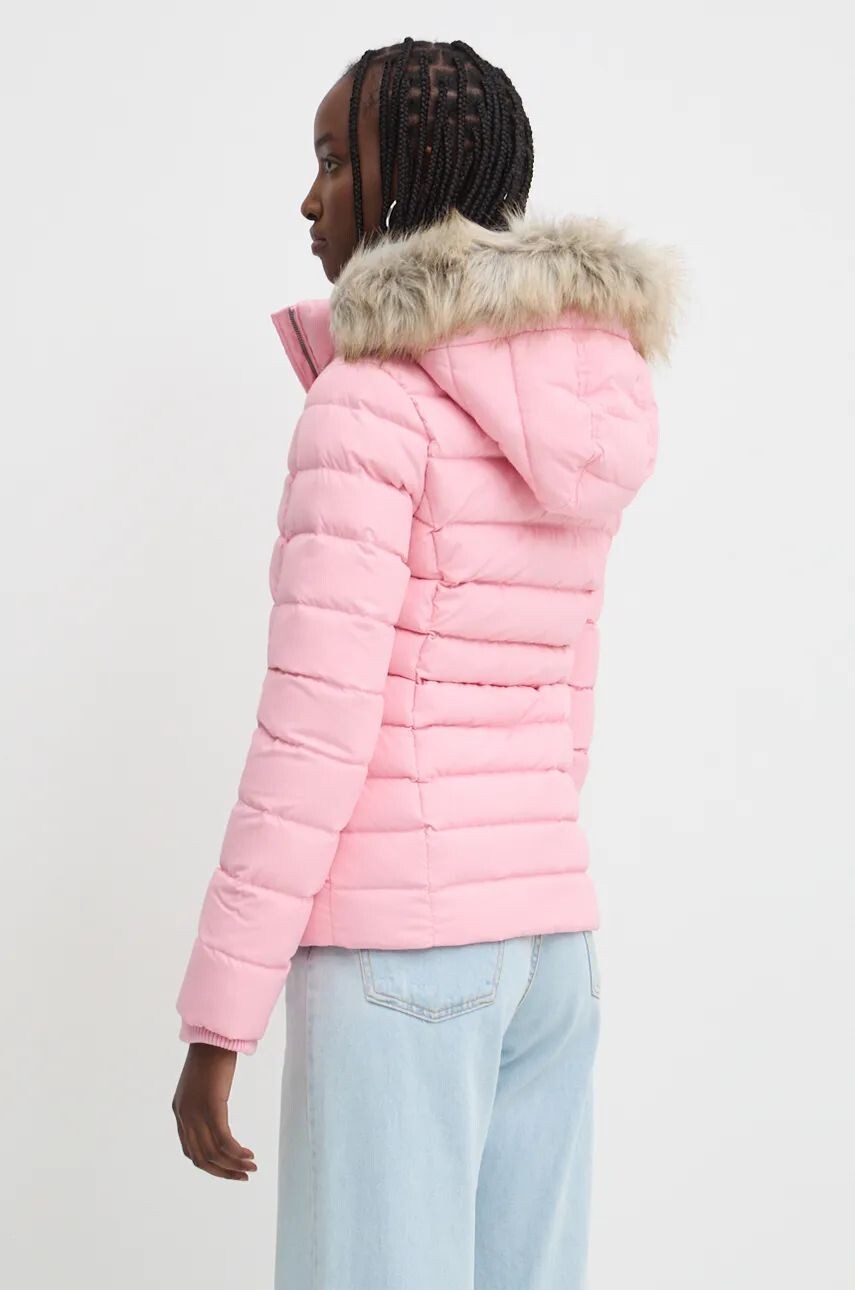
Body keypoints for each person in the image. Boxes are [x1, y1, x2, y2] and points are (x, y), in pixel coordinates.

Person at [171, 36, 683, 1290]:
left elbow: (313, 732)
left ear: (411, 172)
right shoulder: (583, 401)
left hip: (399, 963)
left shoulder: (369, 402)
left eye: (335, 161)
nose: (310, 199)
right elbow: (567, 706)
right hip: (551, 954)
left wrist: (218, 1018)